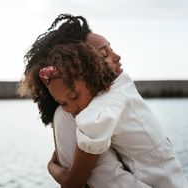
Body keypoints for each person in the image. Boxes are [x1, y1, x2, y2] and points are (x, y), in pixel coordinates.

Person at [21, 37, 188, 188]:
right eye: (63, 103)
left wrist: (51, 167)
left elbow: (71, 183)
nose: (72, 108)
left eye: (74, 96)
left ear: (90, 76)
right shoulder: (120, 88)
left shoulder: (101, 109)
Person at [20, 14, 152, 187]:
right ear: (86, 66)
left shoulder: (110, 100)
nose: (117, 56)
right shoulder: (72, 115)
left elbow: (71, 182)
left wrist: (51, 167)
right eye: (104, 54)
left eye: (111, 49)